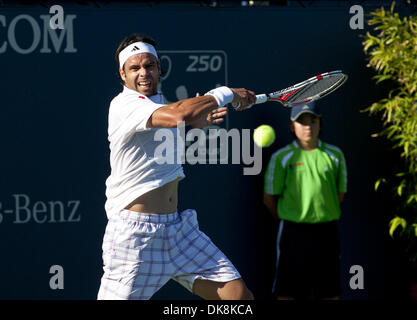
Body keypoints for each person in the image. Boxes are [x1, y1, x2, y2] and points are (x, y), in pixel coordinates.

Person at [97, 33, 256, 300]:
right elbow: (179, 114)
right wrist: (224, 94)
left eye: (149, 65)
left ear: (160, 68)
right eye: (134, 68)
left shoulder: (158, 105)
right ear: (122, 75)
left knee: (238, 297)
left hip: (177, 231)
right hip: (134, 238)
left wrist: (193, 124)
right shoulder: (123, 105)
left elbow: (163, 140)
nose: (143, 73)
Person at [263, 102, 347, 300]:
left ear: (320, 123)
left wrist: (320, 212)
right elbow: (268, 199)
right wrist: (290, 216)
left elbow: (339, 195)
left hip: (327, 232)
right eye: (302, 121)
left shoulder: (335, 155)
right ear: (293, 126)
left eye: (313, 120)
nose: (308, 126)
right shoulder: (281, 157)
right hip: (293, 232)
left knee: (329, 291)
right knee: (286, 292)